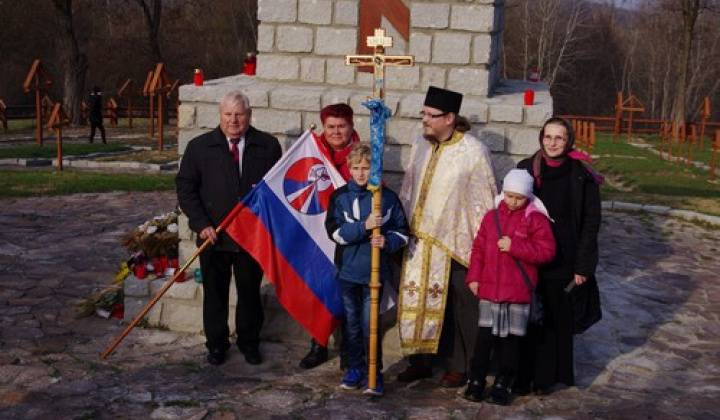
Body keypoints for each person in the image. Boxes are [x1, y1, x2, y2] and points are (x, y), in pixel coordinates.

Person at [396, 86, 498, 388]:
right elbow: (409, 185)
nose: (424, 120)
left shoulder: (473, 151)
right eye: (423, 114)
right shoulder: (421, 144)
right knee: (417, 298)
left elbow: (485, 198)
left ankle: (458, 366)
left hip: (455, 241)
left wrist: (482, 247)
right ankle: (420, 362)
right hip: (419, 238)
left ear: (450, 117)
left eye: (431, 115)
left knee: (455, 305)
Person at [176, 90, 282, 366]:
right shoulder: (199, 147)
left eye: (240, 114)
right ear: (220, 115)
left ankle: (249, 343)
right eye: (228, 114)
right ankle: (217, 344)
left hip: (250, 236)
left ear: (249, 115)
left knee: (249, 291)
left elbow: (277, 190)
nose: (234, 120)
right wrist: (201, 225)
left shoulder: (268, 146)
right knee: (215, 292)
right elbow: (186, 188)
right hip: (214, 236)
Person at [514, 116, 603, 395]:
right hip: (529, 254)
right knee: (526, 319)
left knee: (554, 320)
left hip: (563, 258)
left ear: (568, 141)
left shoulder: (581, 174)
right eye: (548, 137)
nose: (552, 143)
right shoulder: (526, 169)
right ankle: (521, 375)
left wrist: (583, 265)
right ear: (541, 138)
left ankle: (546, 378)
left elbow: (591, 222)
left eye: (559, 138)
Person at [463, 169, 556, 405]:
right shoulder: (490, 217)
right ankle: (476, 381)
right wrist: (474, 277)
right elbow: (479, 249)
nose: (513, 202)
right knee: (484, 340)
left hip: (516, 293)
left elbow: (546, 252)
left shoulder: (536, 219)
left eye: (519, 197)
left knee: (510, 343)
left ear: (528, 197)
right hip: (490, 291)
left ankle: (503, 384)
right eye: (509, 195)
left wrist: (515, 247)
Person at [325, 142, 409, 396]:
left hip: (374, 275)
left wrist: (387, 241)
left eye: (367, 168)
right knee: (351, 325)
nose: (362, 173)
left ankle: (375, 372)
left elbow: (403, 233)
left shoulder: (388, 199)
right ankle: (355, 368)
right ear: (349, 168)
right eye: (357, 168)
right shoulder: (339, 197)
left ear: (377, 171)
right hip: (348, 273)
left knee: (369, 324)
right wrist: (364, 226)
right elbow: (336, 233)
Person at [299, 103, 360, 370]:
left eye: (342, 126)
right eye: (331, 127)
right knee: (319, 290)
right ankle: (319, 343)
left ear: (351, 127)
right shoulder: (313, 153)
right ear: (323, 128)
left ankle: (349, 347)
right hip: (318, 233)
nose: (336, 132)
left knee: (350, 294)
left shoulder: (362, 156)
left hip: (350, 237)